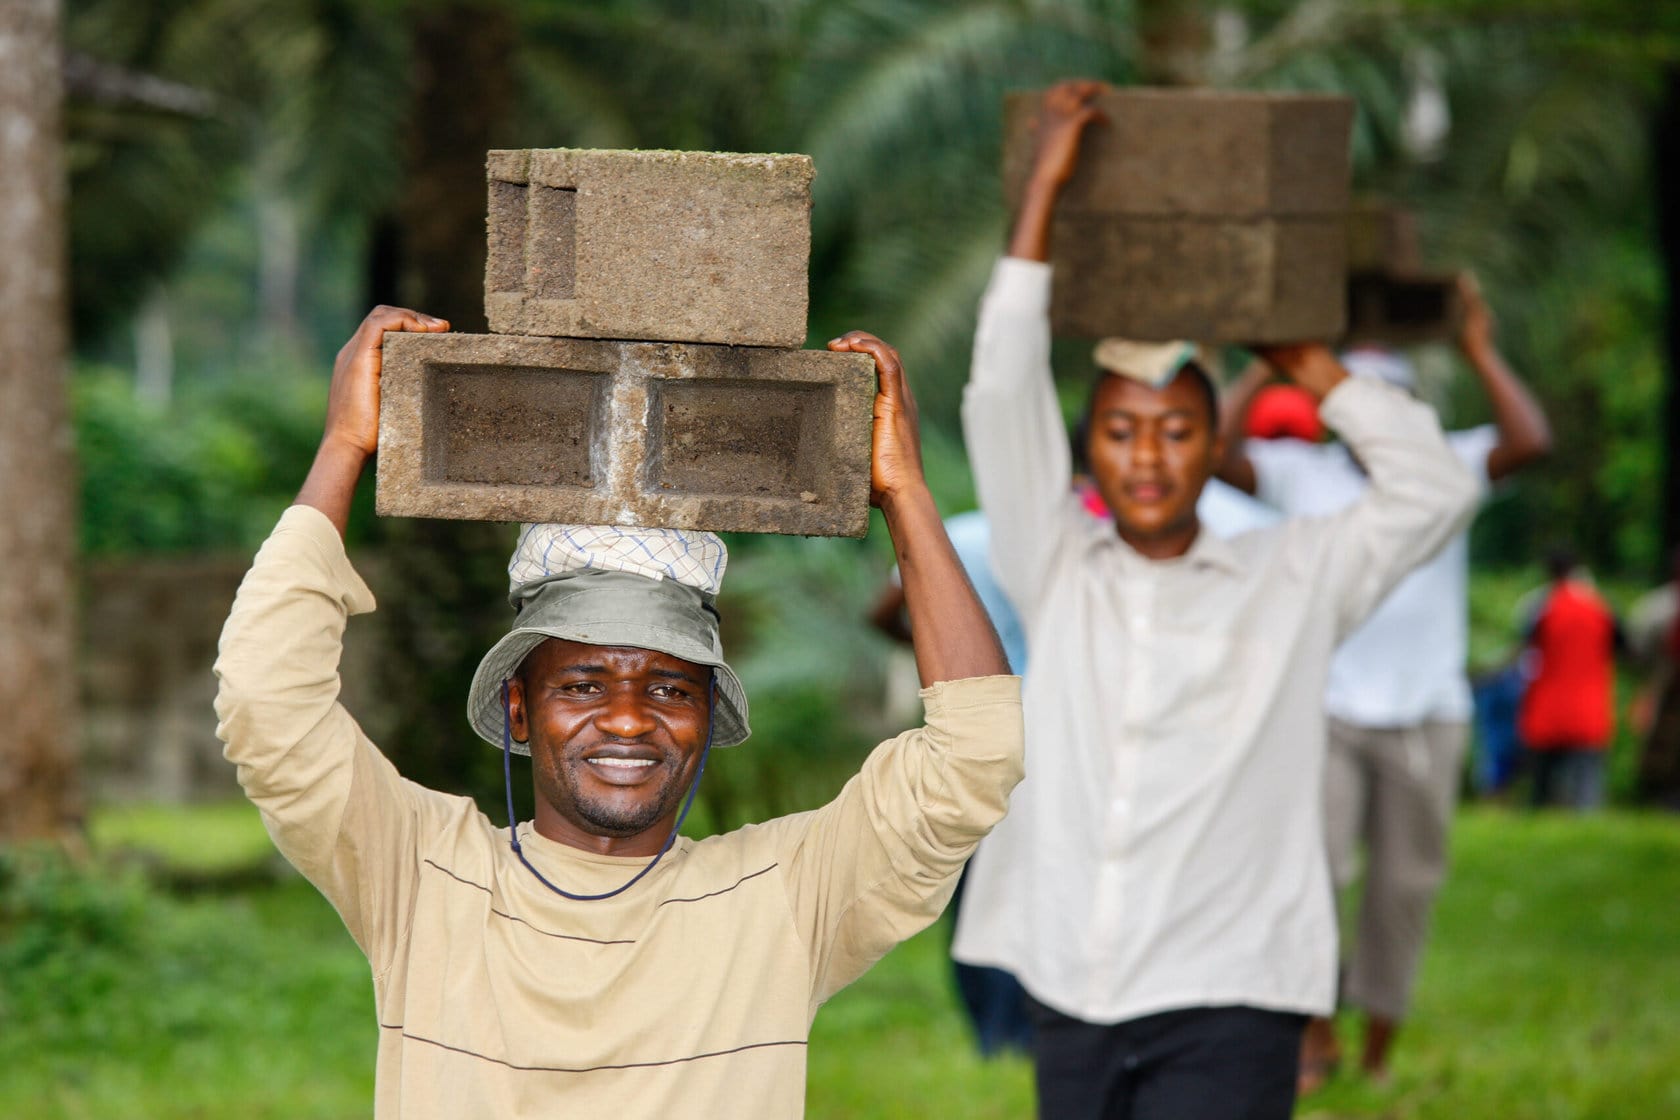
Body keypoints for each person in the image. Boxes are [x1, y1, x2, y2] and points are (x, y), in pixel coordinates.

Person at [213, 306, 1024, 1119]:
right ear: (518, 708)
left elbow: (975, 757)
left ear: (709, 714)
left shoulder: (780, 896)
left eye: (670, 689)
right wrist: (343, 448)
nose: (630, 720)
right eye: (583, 685)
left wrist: (906, 494)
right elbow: (266, 705)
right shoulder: (421, 874)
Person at [950, 80, 1479, 1120]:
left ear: (1216, 445)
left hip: (1233, 990)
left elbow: (1438, 489)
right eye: (1121, 431)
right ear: (1087, 452)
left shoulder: (1295, 575)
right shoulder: (1053, 563)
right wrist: (1044, 190)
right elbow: (1001, 389)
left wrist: (1312, 368)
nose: (1148, 456)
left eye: (1177, 430)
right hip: (1072, 976)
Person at [1216, 278, 1552, 1085]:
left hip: (1427, 711)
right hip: (1327, 707)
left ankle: (1377, 1054)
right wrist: (1268, 361)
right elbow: (1215, 455)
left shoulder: (1448, 468)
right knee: (1316, 874)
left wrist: (1477, 349)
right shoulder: (1302, 473)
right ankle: (1315, 1034)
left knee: (1404, 886)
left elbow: (1531, 441)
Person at [1518, 550, 1622, 810]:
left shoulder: (1540, 606)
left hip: (1548, 705)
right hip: (1588, 705)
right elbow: (1624, 647)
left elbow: (1526, 650)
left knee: (1542, 786)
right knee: (1586, 786)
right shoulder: (1600, 605)